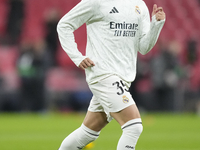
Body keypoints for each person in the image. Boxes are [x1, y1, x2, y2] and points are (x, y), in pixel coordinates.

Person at [57, 0, 165, 149]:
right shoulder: (96, 2)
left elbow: (144, 47)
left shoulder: (139, 5)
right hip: (102, 74)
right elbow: (64, 25)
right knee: (133, 127)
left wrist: (156, 25)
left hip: (123, 78)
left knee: (87, 133)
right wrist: (77, 57)